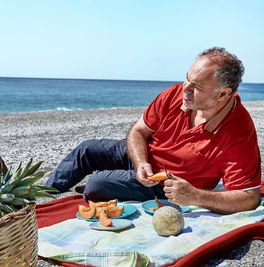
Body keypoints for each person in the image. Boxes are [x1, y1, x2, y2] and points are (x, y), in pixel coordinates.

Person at [45, 47, 261, 214]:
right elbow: (138, 132)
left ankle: (105, 186)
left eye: (197, 87)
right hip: (145, 158)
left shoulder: (238, 131)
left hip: (167, 185)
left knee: (96, 183)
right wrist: (141, 163)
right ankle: (41, 195)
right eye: (187, 78)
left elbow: (249, 197)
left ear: (223, 94)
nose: (184, 88)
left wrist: (196, 196)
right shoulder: (177, 93)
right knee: (87, 149)